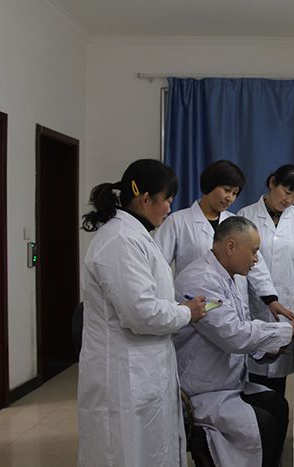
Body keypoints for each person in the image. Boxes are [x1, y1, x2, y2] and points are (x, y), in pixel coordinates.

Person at [78, 159, 207, 467]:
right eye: (167, 201)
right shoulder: (120, 240)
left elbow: (147, 301)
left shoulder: (135, 235)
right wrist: (186, 313)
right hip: (124, 375)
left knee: (149, 449)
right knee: (124, 452)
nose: (169, 209)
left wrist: (179, 310)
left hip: (143, 368)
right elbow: (141, 313)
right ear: (145, 199)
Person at [174, 216, 294, 467]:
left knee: (278, 405)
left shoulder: (226, 277)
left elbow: (239, 330)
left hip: (226, 381)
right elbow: (233, 335)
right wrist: (288, 330)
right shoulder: (201, 280)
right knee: (264, 423)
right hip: (204, 390)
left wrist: (272, 348)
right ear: (231, 247)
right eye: (253, 251)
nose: (256, 259)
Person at [154, 159, 294, 321]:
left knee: (236, 331)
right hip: (197, 305)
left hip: (233, 306)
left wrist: (271, 299)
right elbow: (158, 265)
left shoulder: (237, 223)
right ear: (210, 185)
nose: (230, 198)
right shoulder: (178, 222)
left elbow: (256, 264)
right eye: (226, 190)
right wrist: (166, 305)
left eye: (235, 193)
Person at [238, 164, 294, 395]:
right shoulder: (246, 216)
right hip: (256, 305)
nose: (289, 200)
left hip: (287, 303)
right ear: (272, 183)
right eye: (286, 192)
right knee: (252, 374)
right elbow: (247, 263)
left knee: (278, 380)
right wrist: (268, 296)